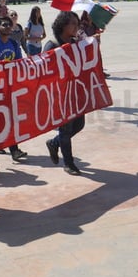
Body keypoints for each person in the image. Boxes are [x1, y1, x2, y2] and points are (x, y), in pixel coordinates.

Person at [44, 11, 86, 175]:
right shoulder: (52, 45)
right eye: (73, 24)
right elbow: (43, 70)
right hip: (60, 95)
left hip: (75, 92)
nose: (77, 27)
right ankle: (68, 163)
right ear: (63, 25)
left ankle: (54, 143)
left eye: (77, 24)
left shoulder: (76, 43)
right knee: (66, 129)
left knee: (79, 125)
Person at [0, 15, 28, 162]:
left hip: (9, 87)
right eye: (4, 25)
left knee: (10, 118)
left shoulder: (14, 44)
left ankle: (13, 149)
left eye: (9, 25)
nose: (8, 27)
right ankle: (0, 145)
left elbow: (19, 64)